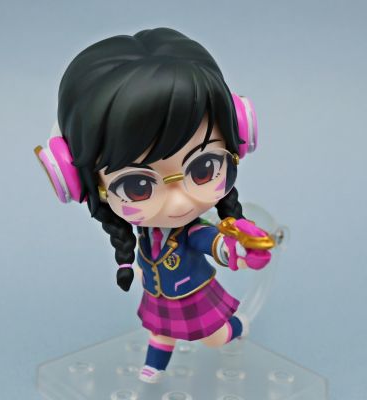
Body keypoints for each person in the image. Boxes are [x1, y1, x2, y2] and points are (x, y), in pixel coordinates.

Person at [35, 27, 272, 383]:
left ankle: (236, 326)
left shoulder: (190, 231)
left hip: (192, 294)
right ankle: (155, 365)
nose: (178, 201)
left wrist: (238, 249)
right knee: (159, 331)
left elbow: (213, 243)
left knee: (213, 337)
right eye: (138, 186)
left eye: (203, 168)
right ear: (78, 182)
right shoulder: (143, 233)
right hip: (160, 295)